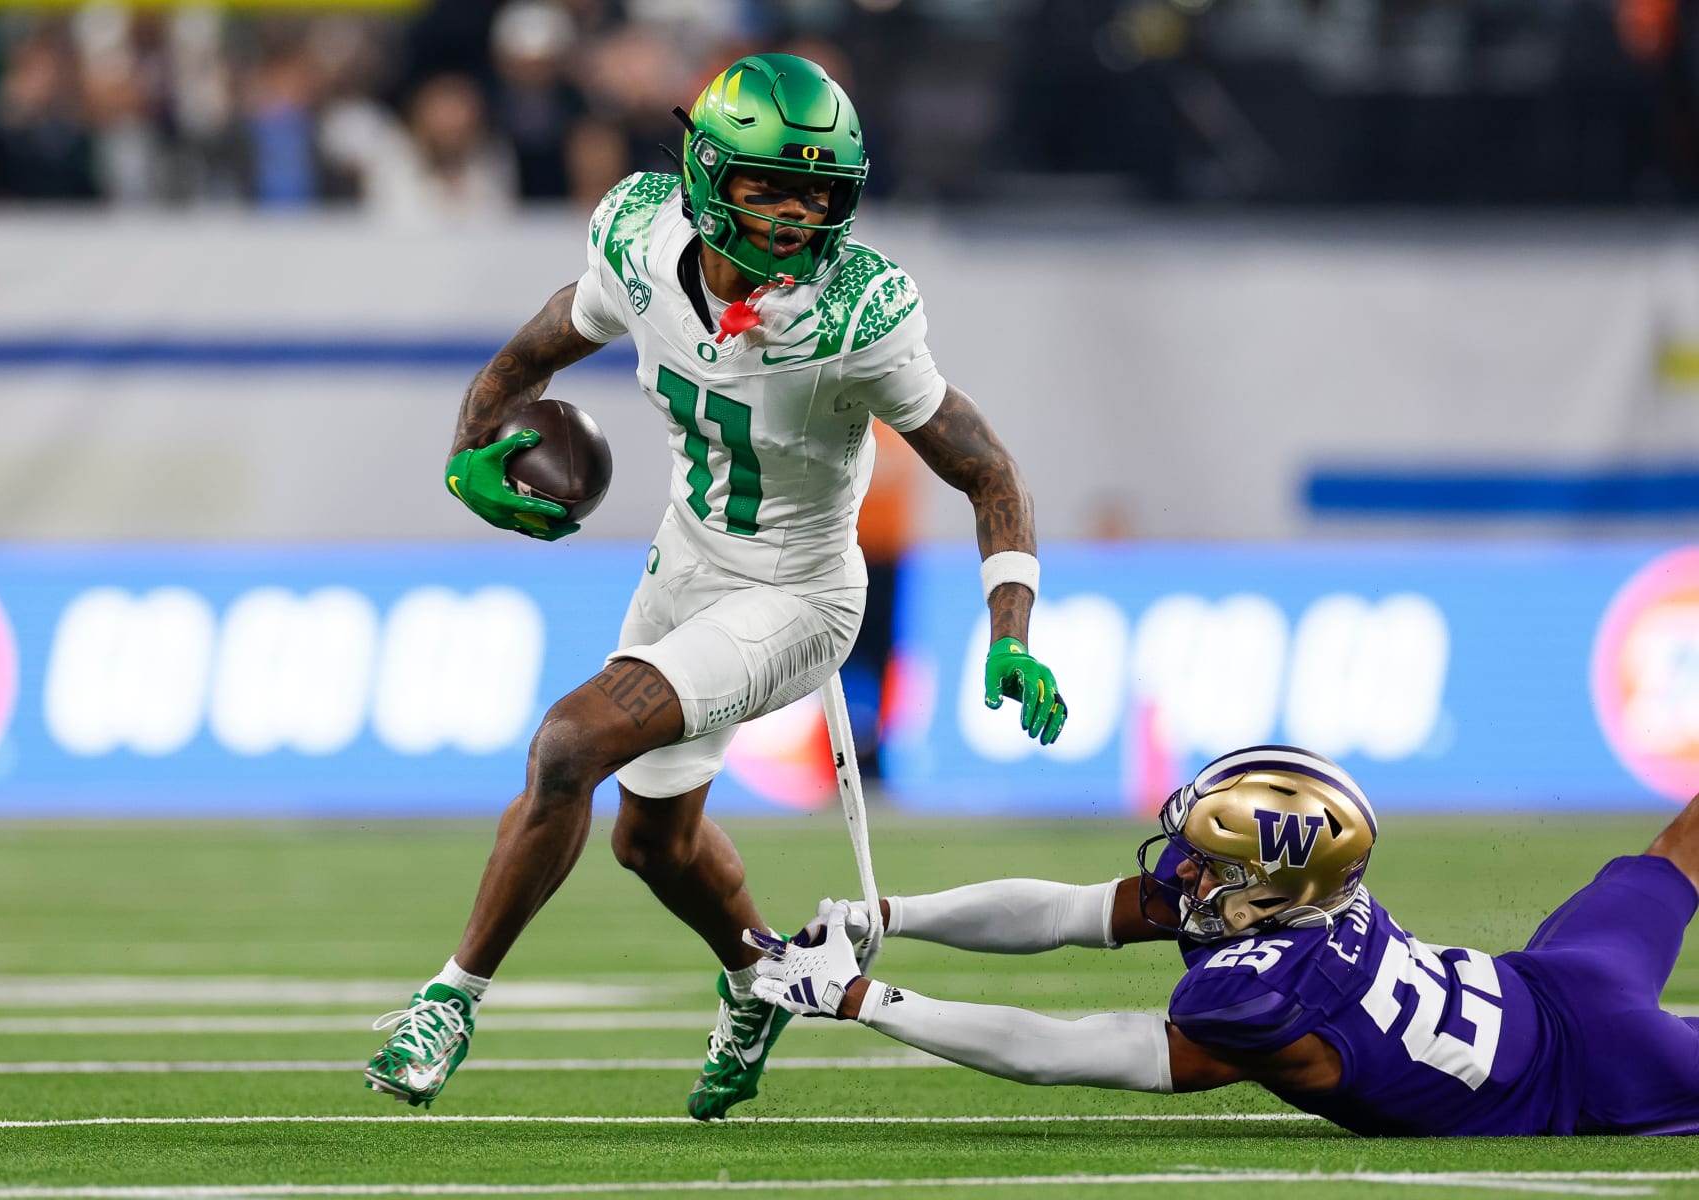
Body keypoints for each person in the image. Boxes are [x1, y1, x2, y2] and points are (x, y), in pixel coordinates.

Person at [363, 52, 1069, 1120]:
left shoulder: (857, 312)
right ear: (703, 175)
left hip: (798, 593)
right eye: (768, 187)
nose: (794, 217)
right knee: (653, 842)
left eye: (817, 193)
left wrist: (1010, 628)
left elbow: (988, 470)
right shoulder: (643, 241)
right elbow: (533, 350)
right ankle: (758, 977)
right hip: (688, 558)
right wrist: (469, 455)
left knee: (568, 744)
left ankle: (450, 999)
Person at [750, 744, 1699, 1137]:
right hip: (1546, 979)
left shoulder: (1265, 997)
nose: (1184, 874)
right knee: (1677, 850)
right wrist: (891, 917)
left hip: (1595, 1069)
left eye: (1209, 863)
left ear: (1274, 885)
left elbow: (1060, 1051)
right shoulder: (1281, 902)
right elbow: (1066, 912)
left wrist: (863, 1000)